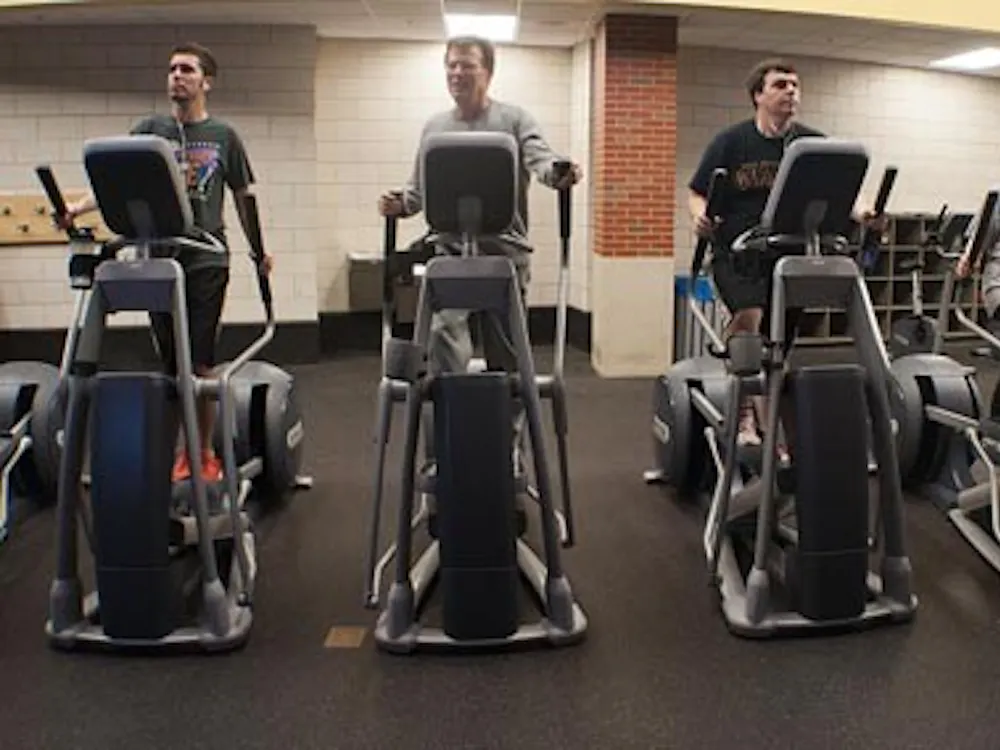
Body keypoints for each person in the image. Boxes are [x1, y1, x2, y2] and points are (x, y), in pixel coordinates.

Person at [59, 41, 273, 484]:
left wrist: (258, 251)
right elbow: (113, 184)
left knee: (198, 363)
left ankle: (204, 453)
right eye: (172, 69)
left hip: (207, 257)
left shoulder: (223, 136)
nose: (177, 76)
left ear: (205, 82)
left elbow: (242, 197)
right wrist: (75, 210)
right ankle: (177, 451)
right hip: (158, 257)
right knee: (171, 364)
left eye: (187, 70)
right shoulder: (147, 130)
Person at [688, 57, 884, 449]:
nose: (791, 91)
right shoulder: (731, 141)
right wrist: (699, 218)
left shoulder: (813, 144)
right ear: (758, 95)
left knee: (779, 346)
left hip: (790, 256)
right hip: (740, 253)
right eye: (780, 85)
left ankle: (773, 422)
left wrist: (865, 213)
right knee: (750, 319)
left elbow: (848, 187)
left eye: (795, 85)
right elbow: (697, 192)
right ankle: (743, 416)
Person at [378, 35, 581, 378]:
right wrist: (397, 204)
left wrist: (559, 174)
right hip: (450, 253)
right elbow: (417, 193)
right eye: (452, 65)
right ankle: (453, 411)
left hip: (504, 254)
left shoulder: (515, 120)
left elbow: (542, 161)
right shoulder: (435, 127)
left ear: (487, 72)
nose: (457, 72)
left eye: (468, 65)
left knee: (508, 355)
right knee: (443, 334)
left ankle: (508, 427)